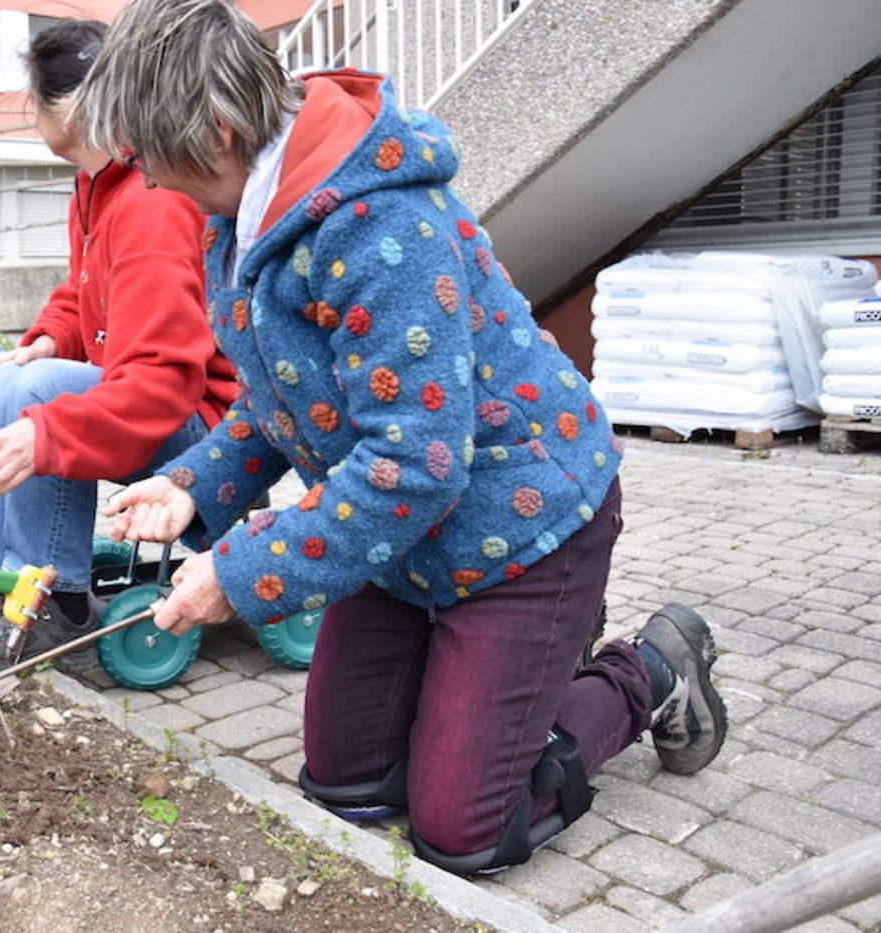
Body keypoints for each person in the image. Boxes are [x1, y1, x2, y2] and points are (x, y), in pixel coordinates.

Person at [80, 0, 727, 875]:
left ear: (218, 132)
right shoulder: (241, 216)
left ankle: (644, 668)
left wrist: (240, 571)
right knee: (347, 786)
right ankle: (503, 676)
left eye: (154, 157)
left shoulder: (381, 227)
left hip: (522, 527)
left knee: (463, 830)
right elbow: (284, 397)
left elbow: (412, 462)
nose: (152, 181)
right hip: (401, 539)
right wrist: (191, 486)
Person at [0, 19, 237, 668]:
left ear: (65, 107)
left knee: (36, 396)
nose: (30, 110)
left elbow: (163, 377)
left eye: (33, 99)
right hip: (145, 401)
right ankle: (11, 589)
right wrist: (42, 340)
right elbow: (82, 290)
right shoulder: (97, 184)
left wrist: (51, 425)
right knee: (13, 378)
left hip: (200, 424)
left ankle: (53, 601)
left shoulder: (151, 202)